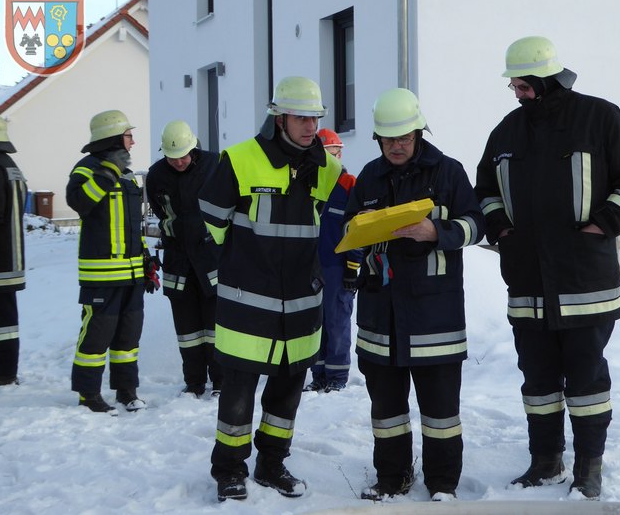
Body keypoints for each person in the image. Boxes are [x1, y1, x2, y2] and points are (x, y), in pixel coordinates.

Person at [474, 36, 620, 500]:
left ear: (546, 81)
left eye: (523, 86)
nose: (516, 93)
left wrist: (606, 223)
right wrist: (501, 228)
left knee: (587, 380)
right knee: (536, 380)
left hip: (584, 283)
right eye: (513, 86)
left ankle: (588, 467)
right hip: (527, 281)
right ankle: (545, 460)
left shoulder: (601, 118)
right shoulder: (507, 132)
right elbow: (486, 188)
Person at [198, 76, 342, 502]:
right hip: (247, 303)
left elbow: (335, 226)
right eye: (301, 118)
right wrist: (242, 267)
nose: (310, 127)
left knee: (287, 392)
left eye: (315, 119)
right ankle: (229, 470)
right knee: (238, 394)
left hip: (301, 304)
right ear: (279, 118)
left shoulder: (328, 169)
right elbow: (210, 224)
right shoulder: (239, 160)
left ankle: (271, 464)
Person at [344, 88, 484, 501]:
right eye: (388, 140)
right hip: (379, 314)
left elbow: (477, 224)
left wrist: (436, 232)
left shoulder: (448, 172)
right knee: (386, 411)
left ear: (419, 132)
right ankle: (392, 478)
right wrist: (359, 229)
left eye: (404, 138)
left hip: (433, 315)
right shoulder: (369, 176)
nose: (397, 147)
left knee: (441, 412)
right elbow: (348, 232)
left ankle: (443, 485)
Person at [66, 110, 156, 415]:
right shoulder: (87, 168)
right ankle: (88, 393)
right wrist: (106, 174)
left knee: (128, 337)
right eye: (129, 135)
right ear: (114, 138)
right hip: (102, 274)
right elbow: (79, 202)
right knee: (97, 334)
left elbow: (132, 224)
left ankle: (126, 391)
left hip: (131, 274)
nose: (133, 141)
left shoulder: (128, 174)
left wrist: (145, 261)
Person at [146, 120, 222, 398]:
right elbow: (160, 211)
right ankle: (194, 382)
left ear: (194, 148)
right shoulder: (155, 175)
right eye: (172, 157)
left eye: (183, 156)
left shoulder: (214, 165)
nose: (178, 162)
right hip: (178, 261)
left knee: (215, 328)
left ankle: (221, 383)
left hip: (211, 260)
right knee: (187, 330)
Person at [303, 128, 361, 394]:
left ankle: (337, 376)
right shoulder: (309, 183)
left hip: (338, 268)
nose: (331, 158)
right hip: (313, 267)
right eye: (325, 153)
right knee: (316, 323)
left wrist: (352, 267)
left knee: (337, 322)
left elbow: (358, 230)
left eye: (334, 152)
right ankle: (319, 373)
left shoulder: (350, 184)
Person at [0, 113, 27, 390]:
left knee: (0, 319)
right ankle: (5, 370)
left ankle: (2, 372)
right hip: (11, 257)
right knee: (5, 319)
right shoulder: (10, 165)